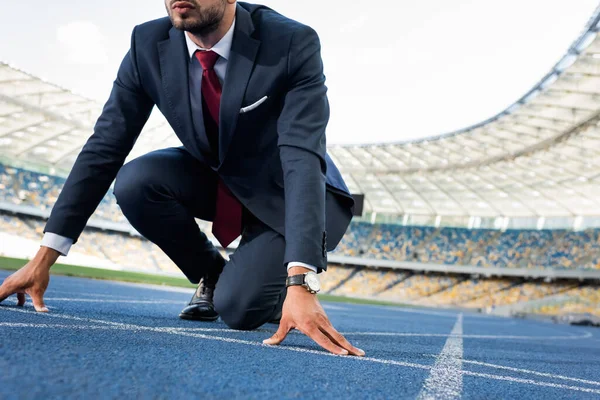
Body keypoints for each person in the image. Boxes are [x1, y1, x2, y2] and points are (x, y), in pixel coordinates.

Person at [0, 0, 365, 356]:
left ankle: (266, 285)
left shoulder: (289, 41)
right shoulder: (147, 44)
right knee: (136, 182)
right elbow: (104, 147)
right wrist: (43, 259)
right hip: (224, 182)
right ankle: (213, 273)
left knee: (238, 310)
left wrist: (302, 282)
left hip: (287, 192)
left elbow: (302, 156)